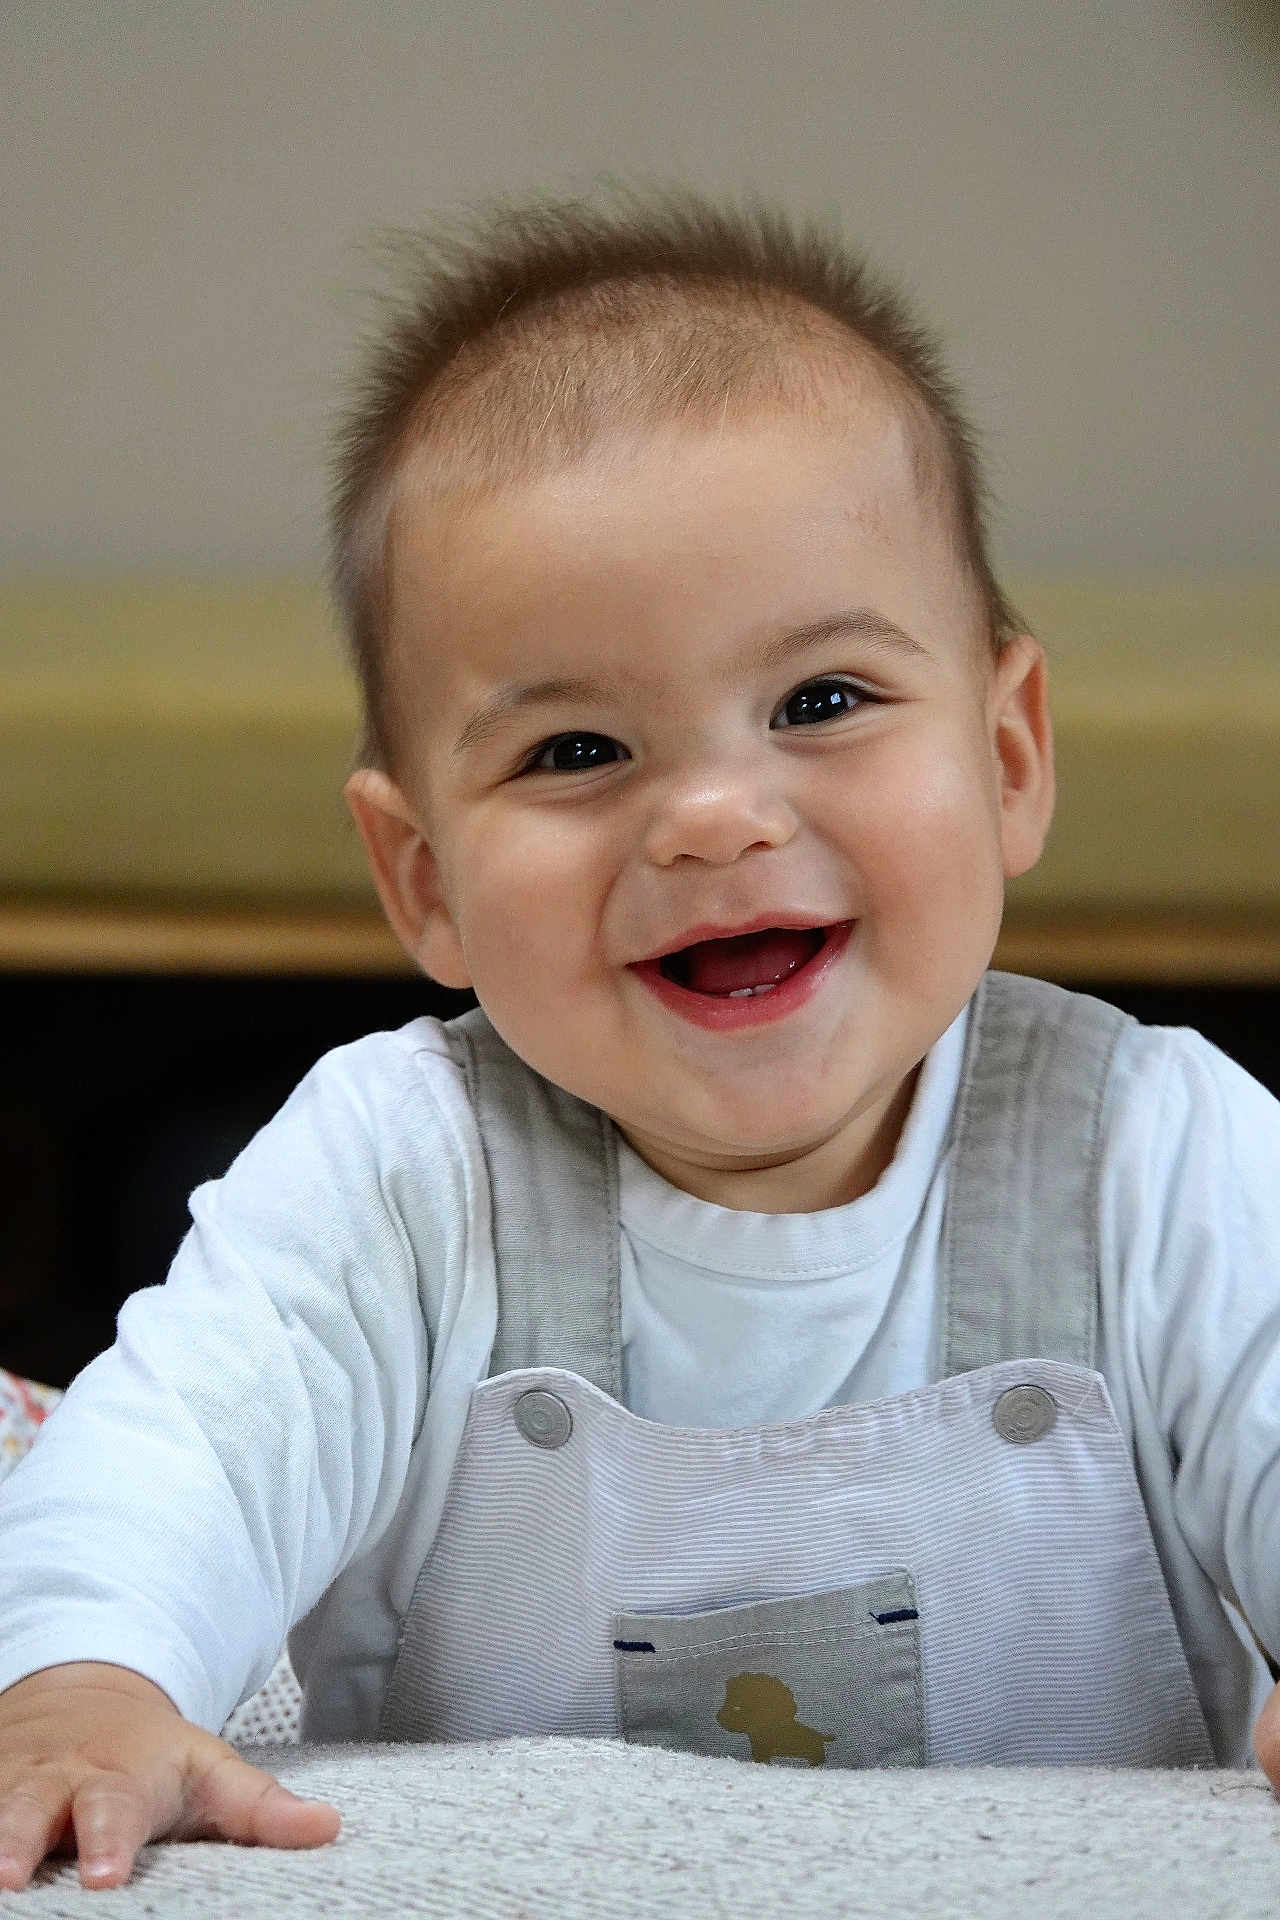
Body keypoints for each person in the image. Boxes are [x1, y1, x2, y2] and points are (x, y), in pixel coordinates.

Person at [2, 190, 1278, 1893]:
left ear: (1011, 753)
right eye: (578, 750)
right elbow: (183, 1441)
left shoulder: (1160, 1149)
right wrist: (87, 1677)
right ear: (421, 879)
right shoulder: (397, 1169)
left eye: (821, 703)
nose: (715, 821)